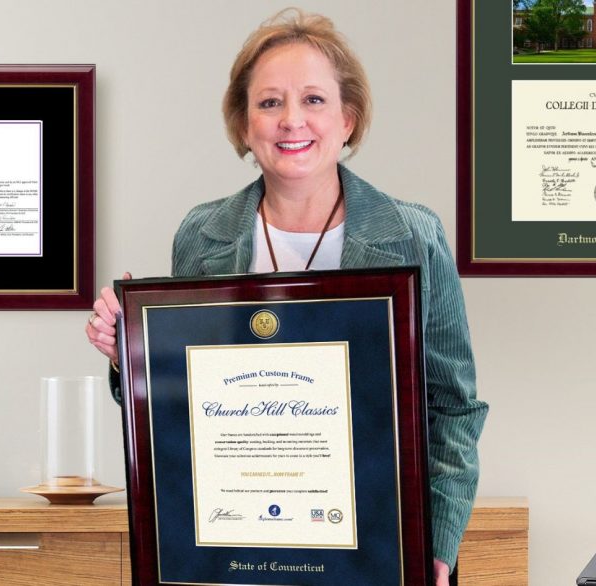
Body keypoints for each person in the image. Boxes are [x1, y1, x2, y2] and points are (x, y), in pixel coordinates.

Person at [85, 9, 487, 585]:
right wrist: (132, 357)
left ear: (348, 119)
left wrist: (438, 547)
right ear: (245, 125)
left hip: (382, 547)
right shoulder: (202, 237)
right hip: (238, 549)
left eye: (314, 100)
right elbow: (184, 412)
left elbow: (453, 409)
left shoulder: (414, 235)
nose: (291, 120)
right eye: (269, 103)